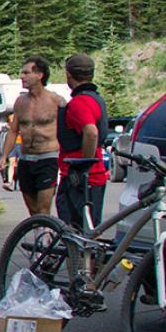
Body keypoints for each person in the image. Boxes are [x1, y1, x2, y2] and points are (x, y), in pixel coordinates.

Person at [0, 56, 64, 216]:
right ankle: (40, 237)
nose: (22, 76)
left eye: (26, 73)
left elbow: (66, 129)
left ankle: (45, 239)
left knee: (43, 208)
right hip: (26, 159)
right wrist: (4, 156)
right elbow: (13, 131)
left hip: (48, 158)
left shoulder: (55, 100)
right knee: (32, 210)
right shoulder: (20, 102)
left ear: (40, 75)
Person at [57, 53, 110, 233]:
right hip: (96, 177)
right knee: (91, 231)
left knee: (74, 232)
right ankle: (88, 261)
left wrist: (83, 167)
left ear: (68, 75)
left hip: (79, 179)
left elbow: (91, 132)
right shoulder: (96, 98)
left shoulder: (80, 102)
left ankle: (77, 261)